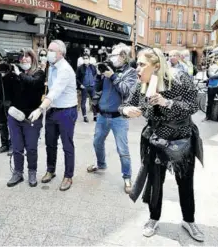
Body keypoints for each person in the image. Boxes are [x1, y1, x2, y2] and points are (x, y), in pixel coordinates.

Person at [120, 48, 204, 242]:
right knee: (155, 183)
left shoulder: (180, 79)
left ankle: (189, 220)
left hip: (181, 140)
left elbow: (193, 106)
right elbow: (123, 105)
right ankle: (153, 218)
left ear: (156, 65)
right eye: (137, 64)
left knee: (185, 183)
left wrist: (167, 102)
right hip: (155, 140)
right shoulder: (142, 85)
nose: (137, 69)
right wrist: (127, 110)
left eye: (142, 65)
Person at [87, 43, 137, 194]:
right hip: (103, 115)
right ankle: (101, 164)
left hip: (119, 118)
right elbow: (97, 89)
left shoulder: (131, 72)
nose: (111, 58)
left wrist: (113, 76)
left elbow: (126, 92)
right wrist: (98, 75)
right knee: (97, 142)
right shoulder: (108, 69)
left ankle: (127, 177)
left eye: (114, 55)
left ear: (123, 56)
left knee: (122, 149)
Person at [28, 40, 78, 191]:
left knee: (67, 145)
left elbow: (55, 91)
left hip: (66, 111)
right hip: (52, 110)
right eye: (47, 49)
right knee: (50, 143)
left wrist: (39, 109)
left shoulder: (65, 70)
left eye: (51, 50)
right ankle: (51, 170)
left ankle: (68, 176)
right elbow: (48, 89)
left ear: (60, 53)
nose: (47, 52)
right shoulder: (52, 67)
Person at [6, 48, 46, 187]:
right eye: (21, 58)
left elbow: (33, 83)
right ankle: (17, 172)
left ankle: (32, 172)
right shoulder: (15, 73)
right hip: (15, 115)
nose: (24, 60)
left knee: (31, 147)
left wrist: (20, 74)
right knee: (17, 146)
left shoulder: (39, 73)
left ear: (33, 58)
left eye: (27, 57)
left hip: (32, 117)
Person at [76, 54, 97, 122]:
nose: (86, 59)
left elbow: (96, 75)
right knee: (83, 102)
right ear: (83, 59)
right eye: (84, 58)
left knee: (94, 101)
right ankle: (85, 117)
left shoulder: (93, 67)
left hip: (92, 86)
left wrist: (95, 83)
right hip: (84, 87)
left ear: (89, 58)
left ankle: (95, 116)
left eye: (87, 58)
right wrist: (80, 85)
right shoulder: (80, 68)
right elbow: (76, 78)